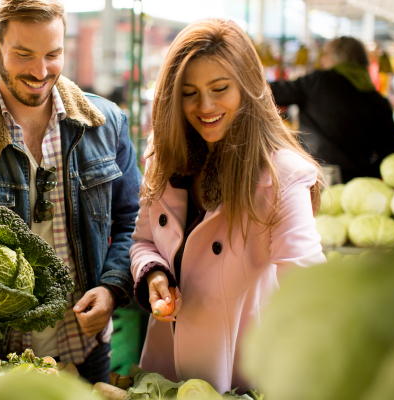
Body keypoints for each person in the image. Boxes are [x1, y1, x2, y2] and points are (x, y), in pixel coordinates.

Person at [0, 0, 141, 384]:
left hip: (86, 351)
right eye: (24, 55)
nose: (41, 72)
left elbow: (132, 221)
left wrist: (111, 289)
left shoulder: (106, 125)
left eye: (53, 55)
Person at [129, 19, 327, 394]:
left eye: (220, 89)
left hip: (239, 372)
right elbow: (143, 242)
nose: (205, 107)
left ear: (249, 88)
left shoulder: (280, 175)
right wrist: (156, 277)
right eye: (189, 93)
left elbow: (309, 284)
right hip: (166, 370)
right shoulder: (166, 156)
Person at [270, 36, 394, 182]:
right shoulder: (377, 100)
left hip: (316, 177)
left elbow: (271, 92)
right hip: (357, 184)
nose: (322, 60)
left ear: (337, 58)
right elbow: (390, 154)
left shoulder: (318, 82)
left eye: (325, 54)